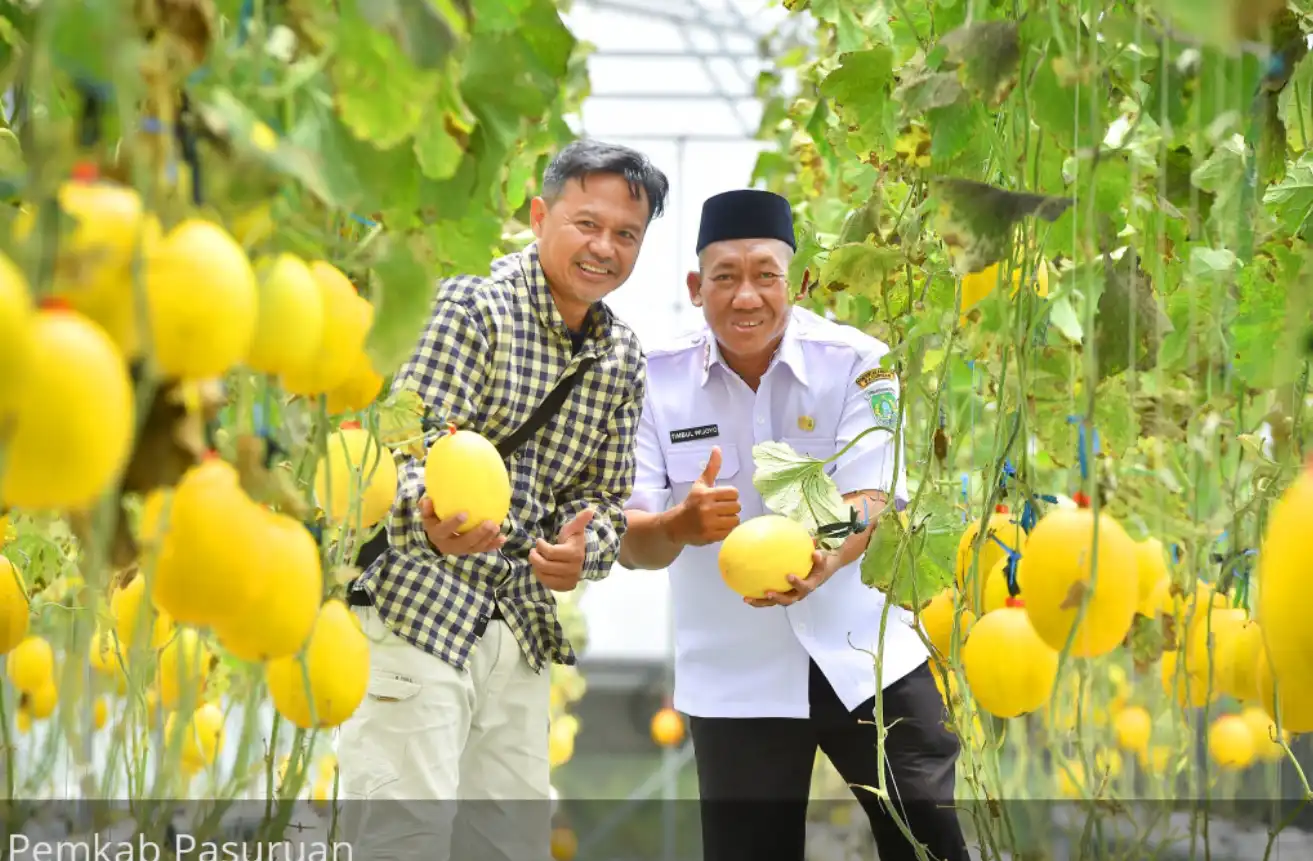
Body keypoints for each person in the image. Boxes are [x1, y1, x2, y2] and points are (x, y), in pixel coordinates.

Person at [335, 139, 670, 861]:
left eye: (625, 235)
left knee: (508, 845)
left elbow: (604, 496)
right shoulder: (473, 308)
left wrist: (587, 550)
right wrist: (428, 517)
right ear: (542, 214)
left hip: (515, 626)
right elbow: (400, 437)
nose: (603, 247)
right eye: (586, 223)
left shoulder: (621, 358)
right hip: (416, 612)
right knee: (399, 842)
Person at [617, 188, 970, 861]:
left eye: (764, 274)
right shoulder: (651, 382)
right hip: (732, 675)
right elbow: (632, 540)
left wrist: (826, 554)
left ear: (799, 282)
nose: (745, 295)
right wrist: (678, 522)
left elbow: (874, 493)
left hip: (867, 655)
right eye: (724, 276)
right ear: (695, 287)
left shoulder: (861, 362)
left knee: (932, 842)